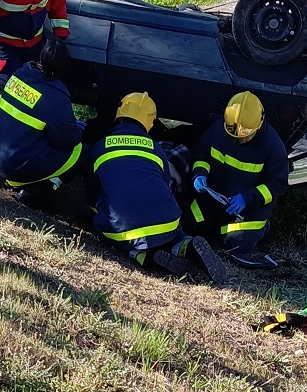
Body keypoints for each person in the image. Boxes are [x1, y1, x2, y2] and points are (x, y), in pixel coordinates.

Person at [91, 92, 224, 280]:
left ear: (119, 113)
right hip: (167, 221)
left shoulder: (100, 147)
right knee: (173, 234)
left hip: (124, 229)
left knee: (111, 235)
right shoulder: (156, 149)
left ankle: (146, 257)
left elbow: (93, 194)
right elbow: (165, 184)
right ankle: (186, 246)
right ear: (150, 122)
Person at [189, 91, 289, 269]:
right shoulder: (219, 128)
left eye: (246, 135)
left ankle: (264, 228)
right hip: (215, 199)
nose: (240, 139)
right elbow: (202, 153)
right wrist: (200, 173)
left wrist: (247, 198)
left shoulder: (272, 145)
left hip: (248, 210)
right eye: (232, 133)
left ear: (259, 124)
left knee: (235, 246)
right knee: (188, 224)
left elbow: (277, 184)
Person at [0, 35, 83, 198]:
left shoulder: (20, 73)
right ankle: (38, 188)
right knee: (78, 150)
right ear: (64, 67)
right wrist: (78, 127)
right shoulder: (56, 97)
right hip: (12, 164)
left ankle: (19, 179)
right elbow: (69, 139)